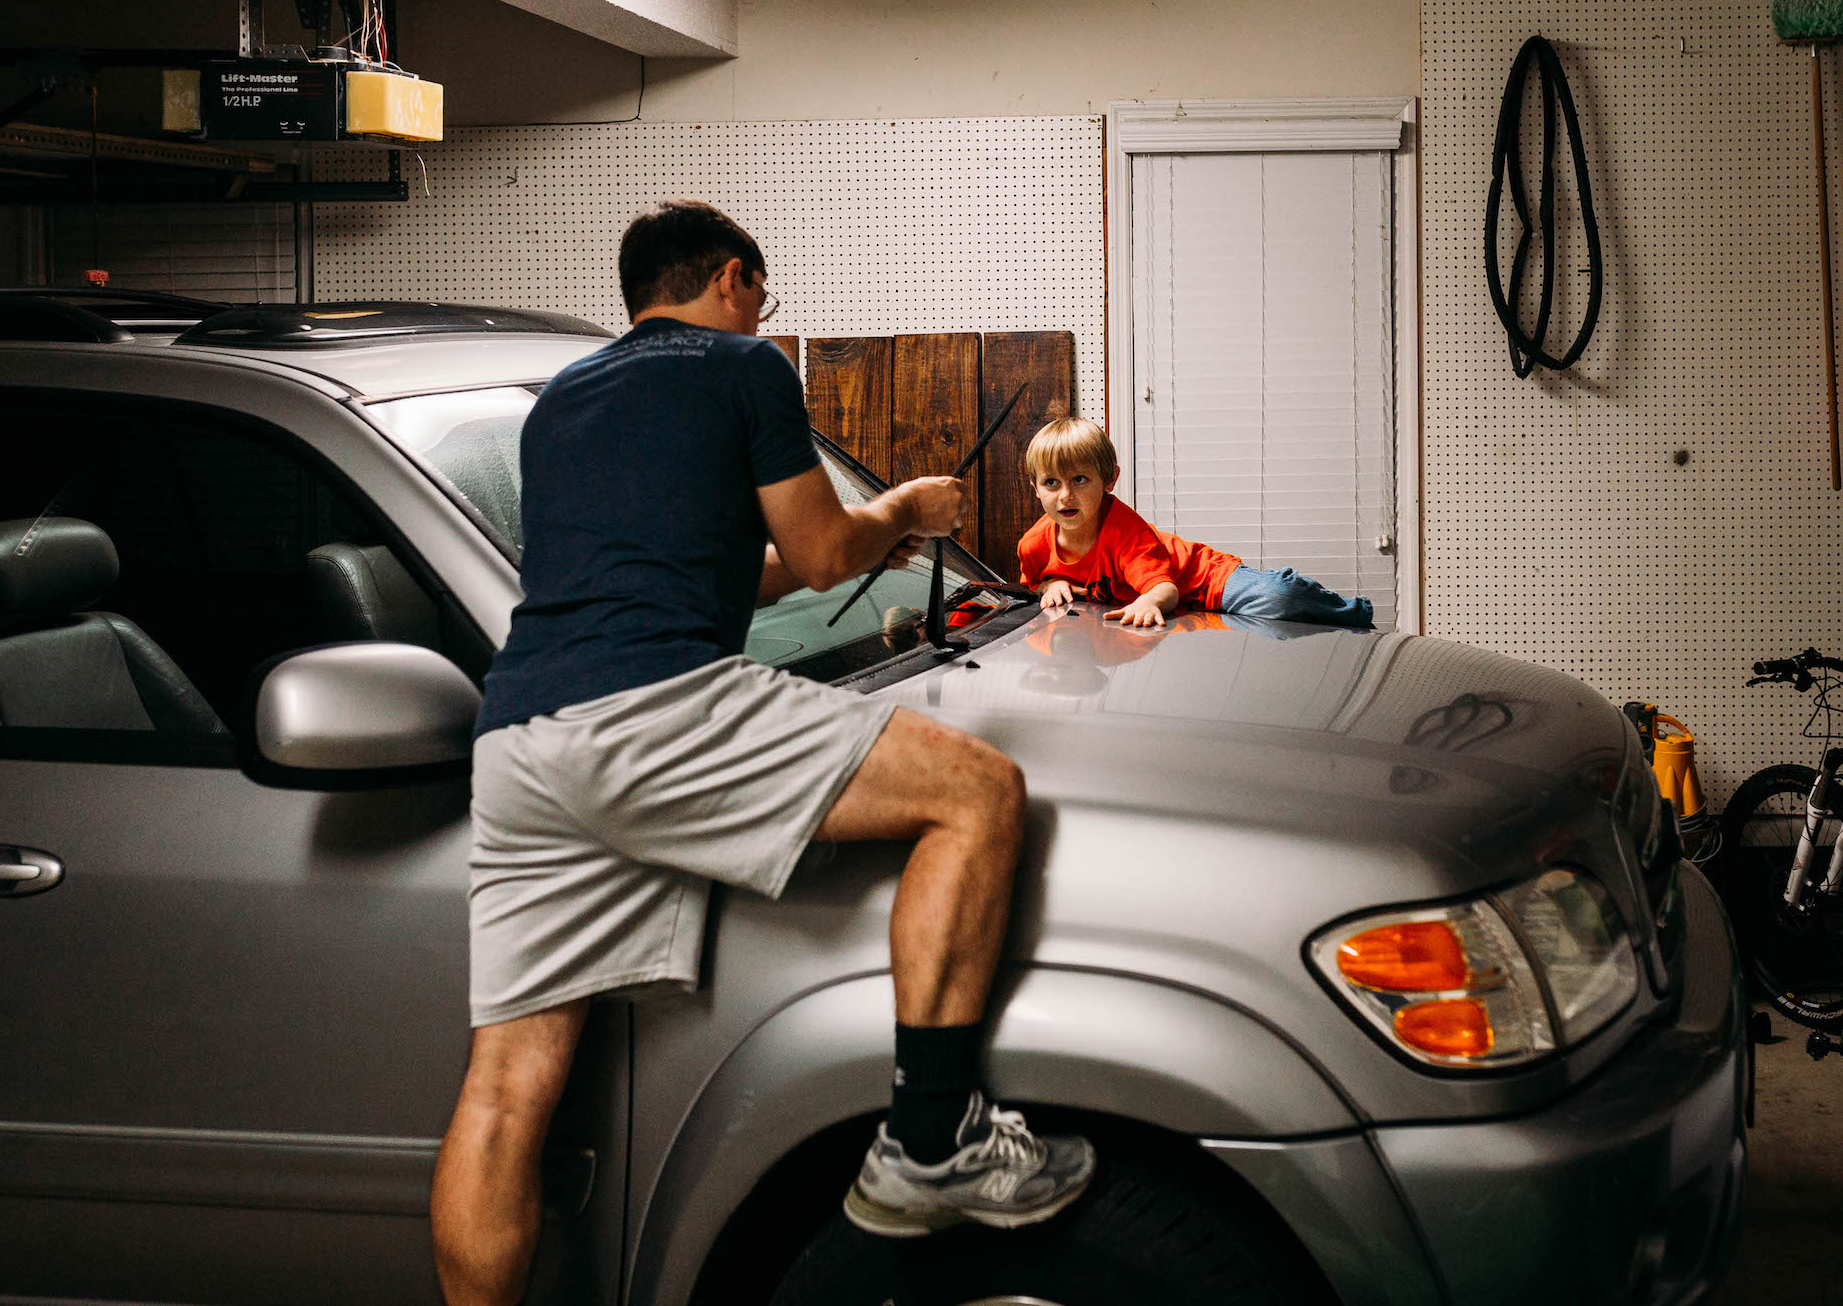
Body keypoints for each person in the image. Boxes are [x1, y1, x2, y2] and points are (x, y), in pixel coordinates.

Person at [430, 200, 1094, 1305]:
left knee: (504, 1093)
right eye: (760, 295)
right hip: (652, 706)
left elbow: (735, 574)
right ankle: (930, 1142)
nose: (759, 313)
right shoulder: (745, 368)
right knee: (979, 791)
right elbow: (829, 550)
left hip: (520, 741)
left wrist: (853, 539)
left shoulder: (557, 405)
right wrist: (905, 509)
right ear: (733, 279)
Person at [1016, 417, 1373, 628]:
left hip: (1203, 580)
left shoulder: (1124, 531)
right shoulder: (1034, 545)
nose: (1065, 495)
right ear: (1035, 488)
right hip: (1187, 608)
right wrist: (1050, 584)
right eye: (1052, 483)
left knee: (1280, 598)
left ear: (1109, 481)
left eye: (1080, 480)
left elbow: (1165, 590)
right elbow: (1029, 587)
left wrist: (1150, 603)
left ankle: (1352, 611)